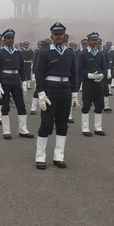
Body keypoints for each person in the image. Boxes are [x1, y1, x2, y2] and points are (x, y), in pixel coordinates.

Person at [34, 22, 78, 169]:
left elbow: (74, 75)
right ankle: (40, 157)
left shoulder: (70, 53)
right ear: (51, 36)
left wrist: (75, 94)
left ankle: (59, 156)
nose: (58, 36)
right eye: (55, 34)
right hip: (49, 91)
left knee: (62, 125)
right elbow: (39, 73)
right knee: (46, 124)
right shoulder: (45, 53)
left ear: (64, 35)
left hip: (65, 91)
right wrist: (41, 93)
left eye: (61, 34)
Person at [0, 29, 34, 140]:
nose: (10, 40)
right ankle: (6, 131)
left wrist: (24, 81)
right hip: (5, 81)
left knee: (21, 105)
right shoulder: (0, 53)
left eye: (12, 38)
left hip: (16, 81)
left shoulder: (18, 53)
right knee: (5, 106)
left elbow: (22, 68)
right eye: (8, 38)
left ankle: (23, 129)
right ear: (4, 40)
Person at [77, 31, 107, 137]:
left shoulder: (100, 54)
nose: (95, 42)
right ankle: (85, 128)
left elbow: (104, 68)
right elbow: (79, 69)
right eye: (93, 40)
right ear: (89, 41)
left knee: (99, 106)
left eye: (96, 40)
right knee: (86, 105)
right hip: (88, 83)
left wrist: (102, 75)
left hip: (98, 83)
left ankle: (98, 127)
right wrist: (88, 75)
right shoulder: (83, 54)